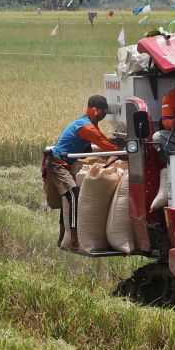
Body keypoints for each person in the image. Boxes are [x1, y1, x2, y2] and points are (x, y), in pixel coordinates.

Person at [43, 95, 119, 248]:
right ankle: (74, 237)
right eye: (102, 112)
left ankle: (62, 237)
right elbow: (105, 143)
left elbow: (103, 139)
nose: (104, 115)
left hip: (63, 163)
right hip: (57, 163)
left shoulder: (88, 122)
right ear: (94, 110)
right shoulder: (86, 127)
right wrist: (124, 151)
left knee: (67, 197)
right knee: (73, 194)